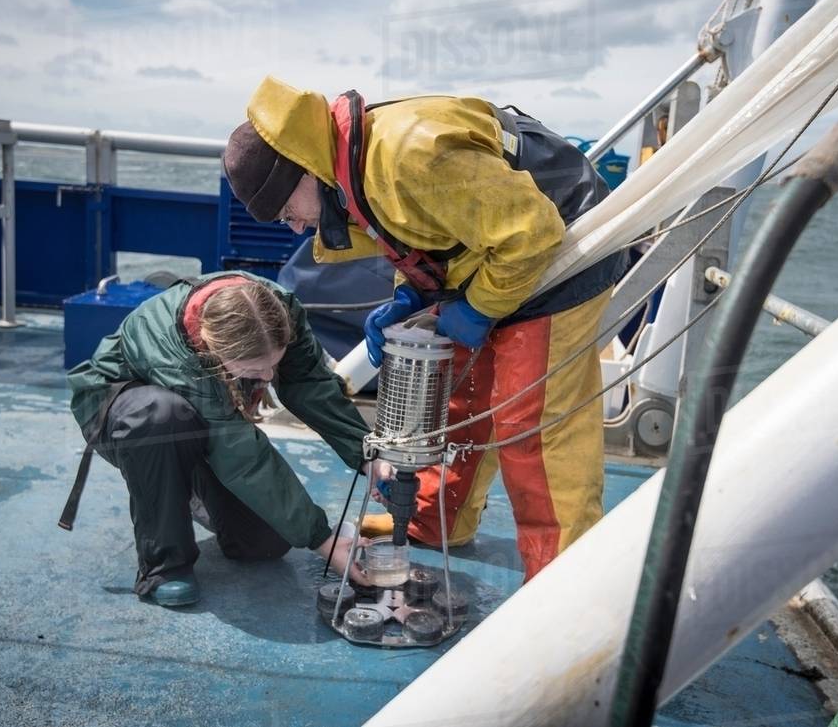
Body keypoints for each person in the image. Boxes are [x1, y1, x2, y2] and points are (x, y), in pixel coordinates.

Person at [223, 77, 626, 581]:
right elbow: (427, 226)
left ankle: (562, 577)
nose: (298, 228)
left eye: (287, 213)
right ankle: (437, 520)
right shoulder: (350, 171)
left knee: (532, 420)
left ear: (303, 173)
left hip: (562, 249)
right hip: (495, 253)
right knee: (456, 393)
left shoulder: (412, 153)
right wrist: (412, 292)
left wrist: (477, 309)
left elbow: (532, 234)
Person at [64, 270, 384, 606]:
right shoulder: (172, 346)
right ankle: (164, 566)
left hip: (202, 421)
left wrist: (368, 454)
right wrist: (323, 539)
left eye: (273, 364)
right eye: (255, 370)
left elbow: (310, 385)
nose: (269, 376)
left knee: (264, 544)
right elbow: (239, 451)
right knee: (163, 415)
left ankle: (188, 486)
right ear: (212, 348)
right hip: (127, 415)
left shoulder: (276, 310)